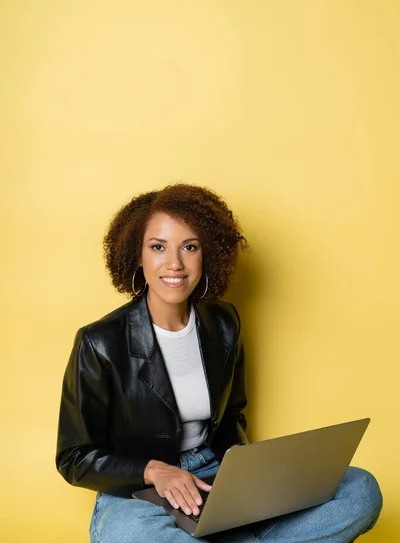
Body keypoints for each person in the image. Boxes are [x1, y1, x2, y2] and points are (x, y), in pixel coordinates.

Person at [56, 183, 382, 543]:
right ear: (138, 255)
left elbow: (232, 416)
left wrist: (238, 461)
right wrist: (155, 471)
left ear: (206, 253)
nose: (174, 263)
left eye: (190, 247)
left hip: (212, 473)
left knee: (360, 489)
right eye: (158, 247)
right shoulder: (99, 342)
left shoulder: (225, 324)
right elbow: (75, 456)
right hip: (139, 490)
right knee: (129, 532)